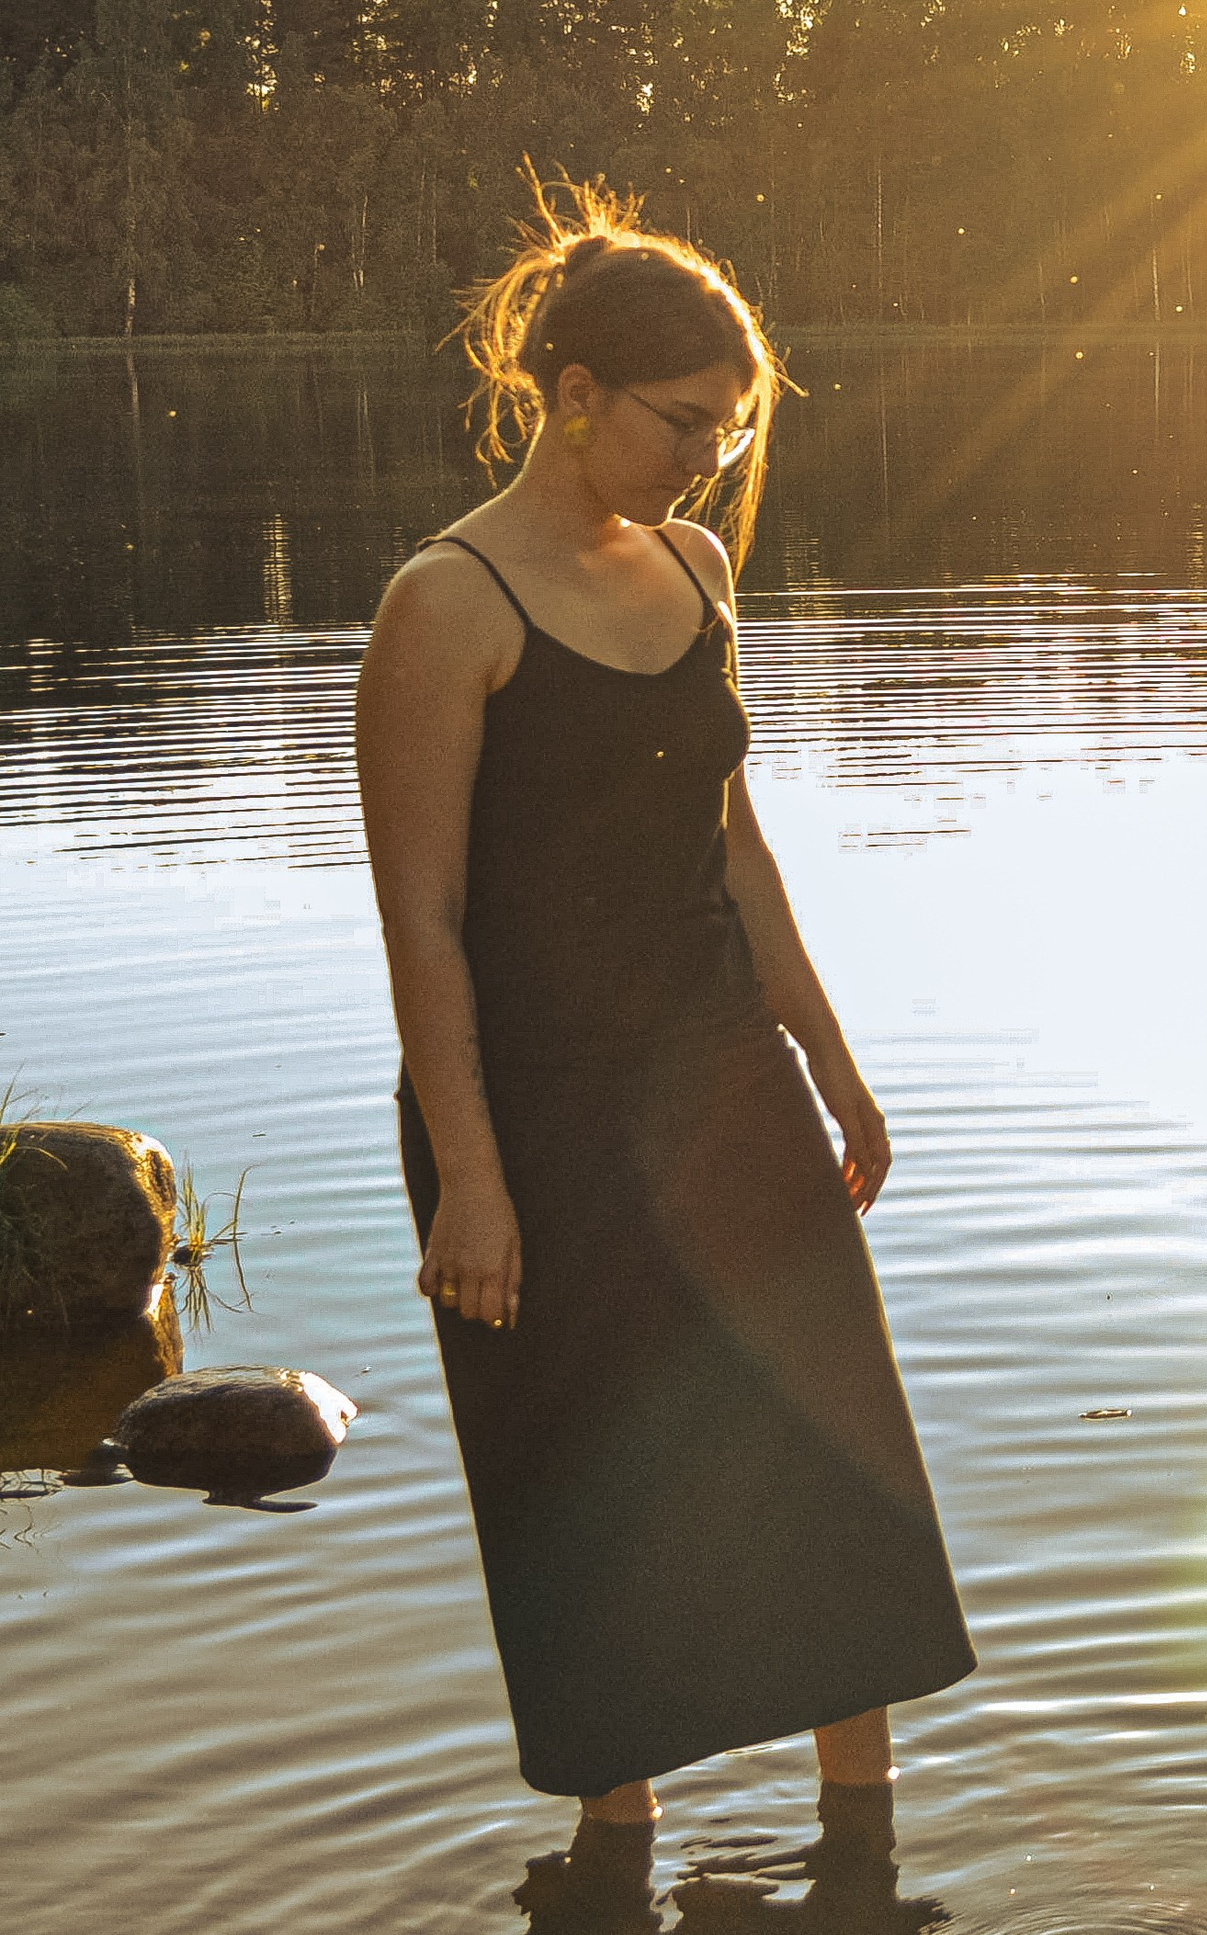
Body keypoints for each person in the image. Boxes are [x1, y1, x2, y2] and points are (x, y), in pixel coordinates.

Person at [355, 193, 975, 1826]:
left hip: (722, 1077)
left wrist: (831, 1065)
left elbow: (739, 850)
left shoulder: (695, 572)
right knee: (594, 1503)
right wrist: (475, 1177)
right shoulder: (449, 606)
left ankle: (863, 1859)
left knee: (826, 1468)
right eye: (681, 422)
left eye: (731, 427)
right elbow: (420, 921)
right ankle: (618, 1870)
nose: (706, 460)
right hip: (539, 1118)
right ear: (571, 389)